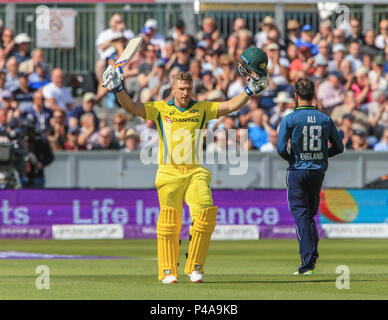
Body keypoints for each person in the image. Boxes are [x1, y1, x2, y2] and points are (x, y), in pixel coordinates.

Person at [102, 46, 269, 284]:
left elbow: (230, 106)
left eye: (188, 89)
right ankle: (168, 271)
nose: (185, 93)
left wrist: (249, 90)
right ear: (173, 89)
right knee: (169, 222)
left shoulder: (201, 108)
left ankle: (195, 267)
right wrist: (119, 89)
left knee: (205, 214)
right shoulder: (161, 109)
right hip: (169, 172)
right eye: (181, 89)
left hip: (194, 171)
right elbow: (132, 107)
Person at [276, 78, 344, 275]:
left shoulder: (290, 119)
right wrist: (321, 155)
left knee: (301, 215)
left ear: (296, 96)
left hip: (297, 171)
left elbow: (280, 148)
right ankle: (311, 256)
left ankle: (307, 263)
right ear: (313, 96)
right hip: (317, 172)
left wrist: (293, 159)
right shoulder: (325, 119)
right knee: (310, 215)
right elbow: (339, 147)